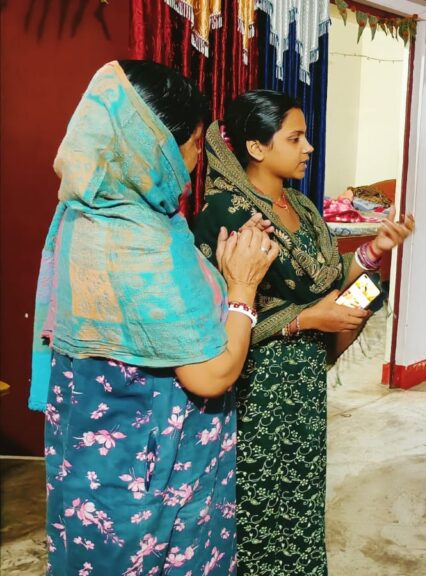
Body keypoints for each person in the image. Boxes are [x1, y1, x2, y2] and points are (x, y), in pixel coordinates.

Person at [30, 60, 278, 576]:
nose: (195, 160)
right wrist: (242, 289)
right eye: (192, 144)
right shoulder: (146, 241)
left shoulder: (82, 214)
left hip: (94, 465)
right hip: (155, 472)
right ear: (157, 145)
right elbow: (211, 374)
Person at [191, 89, 415, 576]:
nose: (308, 147)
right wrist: (306, 320)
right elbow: (211, 320)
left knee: (301, 498)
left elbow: (328, 281)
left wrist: (375, 251)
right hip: (258, 391)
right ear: (257, 147)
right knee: (260, 505)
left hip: (305, 384)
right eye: (295, 138)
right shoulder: (227, 215)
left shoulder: (299, 205)